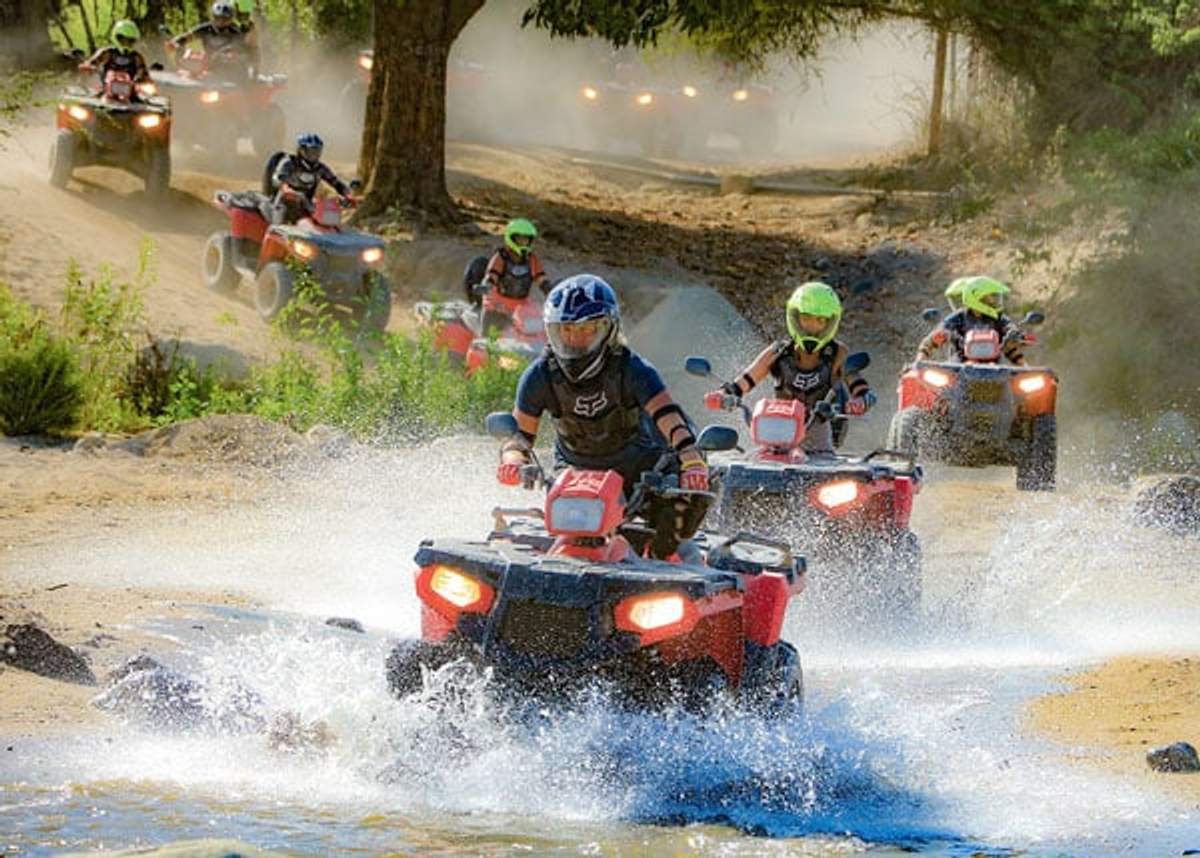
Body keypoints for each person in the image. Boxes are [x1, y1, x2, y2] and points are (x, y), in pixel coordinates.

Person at [497, 274, 709, 560]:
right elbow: (519, 437)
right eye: (565, 331)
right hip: (574, 473)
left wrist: (692, 460)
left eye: (587, 330)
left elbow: (669, 415)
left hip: (642, 475)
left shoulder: (633, 369)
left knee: (680, 520)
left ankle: (669, 570)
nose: (574, 340)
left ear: (608, 329)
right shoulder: (539, 375)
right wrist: (513, 461)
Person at [706, 281, 875, 453]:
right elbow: (746, 379)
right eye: (806, 318)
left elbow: (857, 382)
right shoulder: (778, 352)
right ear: (795, 317)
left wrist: (860, 400)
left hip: (818, 428)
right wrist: (723, 395)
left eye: (820, 320)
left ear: (830, 322)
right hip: (777, 427)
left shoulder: (837, 352)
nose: (812, 326)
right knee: (756, 463)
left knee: (825, 471)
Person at [917, 275, 1027, 365]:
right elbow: (930, 342)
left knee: (1033, 384)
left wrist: (1017, 335)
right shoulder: (958, 317)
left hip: (995, 370)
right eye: (990, 296)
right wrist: (919, 362)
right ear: (976, 297)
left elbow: (1010, 333)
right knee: (926, 385)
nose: (994, 300)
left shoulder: (997, 318)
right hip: (957, 369)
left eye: (994, 296)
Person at [477, 218, 548, 333]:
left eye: (526, 239)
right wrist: (486, 286)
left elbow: (540, 278)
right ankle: (485, 343)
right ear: (511, 238)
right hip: (497, 304)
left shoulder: (531, 259)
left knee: (539, 326)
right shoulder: (501, 257)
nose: (523, 242)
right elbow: (492, 275)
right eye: (520, 239)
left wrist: (549, 288)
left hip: (521, 306)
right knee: (489, 332)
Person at [269, 133, 351, 224]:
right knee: (279, 228)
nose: (315, 155)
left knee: (321, 225)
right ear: (301, 150)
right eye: (311, 151)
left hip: (306, 204)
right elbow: (277, 179)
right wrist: (286, 189)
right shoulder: (289, 163)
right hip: (284, 202)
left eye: (317, 151)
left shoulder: (320, 168)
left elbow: (335, 182)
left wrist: (347, 194)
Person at [170, 1, 258, 78]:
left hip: (229, 70)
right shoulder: (206, 28)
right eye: (217, 18)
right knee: (186, 73)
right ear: (213, 17)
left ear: (230, 19)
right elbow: (189, 36)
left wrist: (234, 55)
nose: (220, 22)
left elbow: (244, 49)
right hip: (207, 66)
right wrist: (175, 43)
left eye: (224, 19)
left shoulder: (235, 32)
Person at [82, 20, 151, 92]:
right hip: (106, 89)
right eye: (123, 39)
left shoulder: (136, 57)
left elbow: (143, 72)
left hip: (130, 92)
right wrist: (88, 66)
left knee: (150, 97)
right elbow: (93, 62)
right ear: (116, 37)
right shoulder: (107, 52)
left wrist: (143, 79)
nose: (126, 43)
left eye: (130, 40)